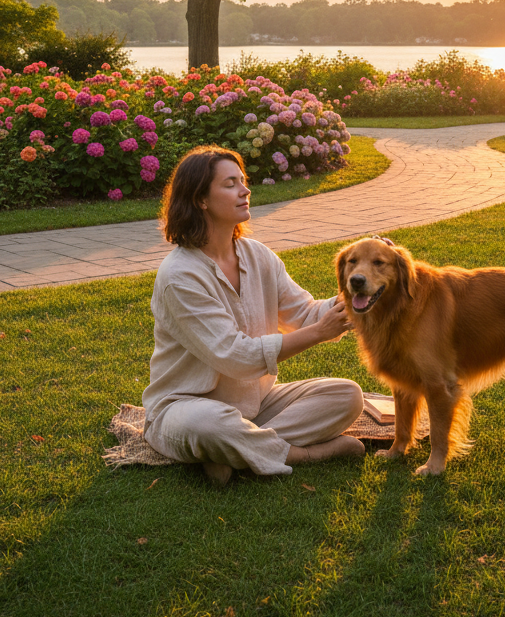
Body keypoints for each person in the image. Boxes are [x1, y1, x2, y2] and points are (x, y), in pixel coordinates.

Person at [142, 145, 365, 485]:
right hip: (185, 407)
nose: (245, 190)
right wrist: (319, 332)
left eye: (243, 180)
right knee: (210, 426)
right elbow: (235, 357)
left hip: (256, 402)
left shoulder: (257, 255)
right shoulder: (180, 276)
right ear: (201, 199)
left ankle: (238, 450)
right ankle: (303, 453)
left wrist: (359, 293)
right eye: (230, 183)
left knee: (347, 395)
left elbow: (304, 312)